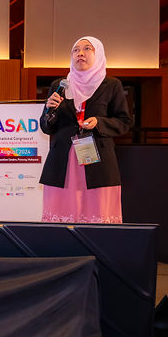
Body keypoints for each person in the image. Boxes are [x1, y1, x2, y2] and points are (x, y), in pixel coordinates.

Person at [39, 36, 132, 223]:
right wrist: (50, 110)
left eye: (87, 49)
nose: (80, 53)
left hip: (98, 162)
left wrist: (99, 122)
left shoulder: (111, 85)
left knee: (97, 217)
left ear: (99, 54)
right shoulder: (59, 85)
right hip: (62, 162)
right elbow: (46, 126)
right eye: (76, 50)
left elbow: (124, 122)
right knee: (61, 218)